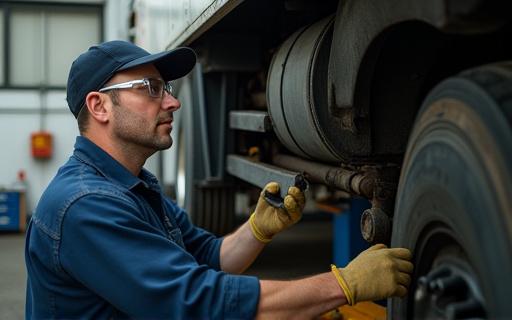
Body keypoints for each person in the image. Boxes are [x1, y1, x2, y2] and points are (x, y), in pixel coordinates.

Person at [25, 40, 413, 319]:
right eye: (151, 88)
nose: (172, 102)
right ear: (99, 106)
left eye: (168, 89)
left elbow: (210, 259)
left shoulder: (135, 187)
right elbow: (197, 303)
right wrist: (341, 286)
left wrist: (257, 230)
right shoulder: (85, 205)